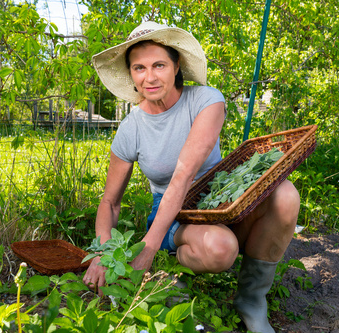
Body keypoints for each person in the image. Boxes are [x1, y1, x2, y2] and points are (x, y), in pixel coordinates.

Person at [83, 21, 300, 333]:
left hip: (223, 196)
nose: (150, 77)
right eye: (139, 68)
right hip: (175, 213)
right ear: (131, 74)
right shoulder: (131, 128)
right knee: (220, 250)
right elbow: (110, 202)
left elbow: (185, 173)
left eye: (159, 65)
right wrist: (103, 252)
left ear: (176, 66)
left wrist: (147, 247)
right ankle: (175, 270)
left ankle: (252, 299)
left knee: (285, 194)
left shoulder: (206, 101)